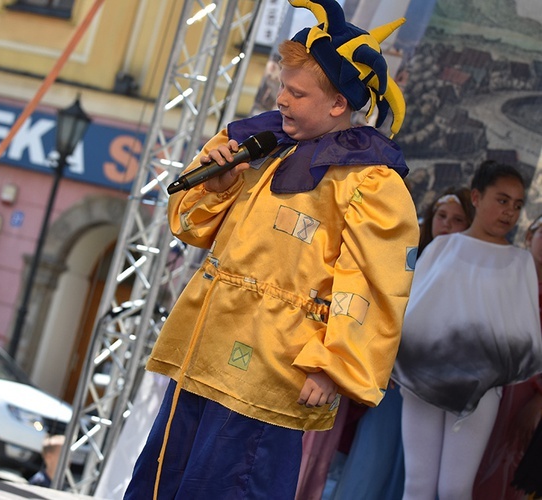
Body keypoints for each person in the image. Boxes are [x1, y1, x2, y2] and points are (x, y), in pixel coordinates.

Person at [124, 0, 420, 497]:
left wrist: (333, 367)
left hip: (272, 370)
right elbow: (191, 225)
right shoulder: (256, 143)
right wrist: (217, 186)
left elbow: (373, 286)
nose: (279, 98)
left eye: (295, 92)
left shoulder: (371, 182)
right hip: (204, 350)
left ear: (337, 104)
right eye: (282, 85)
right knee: (160, 484)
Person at [392, 160, 542, 500]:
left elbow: (523, 335)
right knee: (417, 483)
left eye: (517, 205)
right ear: (477, 196)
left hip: (482, 390)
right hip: (424, 379)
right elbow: (414, 309)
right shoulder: (443, 247)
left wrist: (486, 369)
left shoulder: (519, 264)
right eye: (502, 200)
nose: (510, 212)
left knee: (454, 488)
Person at [326, 187, 473, 500]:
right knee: (373, 459)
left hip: (433, 386)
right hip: (393, 378)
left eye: (457, 219)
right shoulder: (414, 260)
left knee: (412, 470)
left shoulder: (471, 275)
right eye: (442, 216)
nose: (446, 224)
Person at [473, 213, 542, 500]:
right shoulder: (502, 275)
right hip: (483, 388)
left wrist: (539, 402)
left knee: (506, 473)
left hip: (526, 399)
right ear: (529, 236)